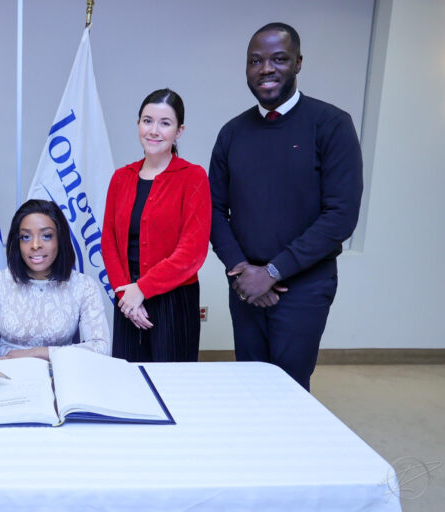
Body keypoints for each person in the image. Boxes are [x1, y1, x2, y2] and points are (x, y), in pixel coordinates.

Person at [208, 23, 363, 390]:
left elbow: (340, 216)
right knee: (250, 387)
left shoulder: (331, 125)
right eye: (255, 61)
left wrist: (273, 272)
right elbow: (212, 209)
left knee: (290, 393)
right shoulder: (232, 132)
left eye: (279, 59)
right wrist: (242, 270)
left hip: (304, 288)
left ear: (298, 63)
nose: (266, 69)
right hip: (245, 286)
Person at [0, 199, 110, 390]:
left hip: (64, 379)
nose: (35, 245)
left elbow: (101, 348)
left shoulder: (83, 286)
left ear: (60, 239)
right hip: (7, 380)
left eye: (46, 236)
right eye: (26, 237)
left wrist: (35, 353)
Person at [101, 88, 211, 363]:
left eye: (165, 123)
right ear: (138, 124)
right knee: (129, 385)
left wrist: (142, 289)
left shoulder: (193, 177)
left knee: (173, 387)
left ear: (179, 131)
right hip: (127, 298)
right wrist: (126, 293)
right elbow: (109, 242)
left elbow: (192, 253)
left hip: (174, 300)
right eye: (147, 120)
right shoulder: (120, 178)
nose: (154, 130)